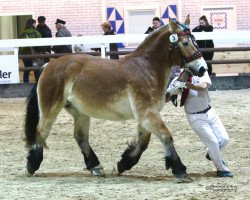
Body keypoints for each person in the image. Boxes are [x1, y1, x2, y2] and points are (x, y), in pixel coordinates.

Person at [166, 71, 233, 177]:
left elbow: (203, 86)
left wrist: (188, 85)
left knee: (224, 139)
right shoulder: (176, 81)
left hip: (210, 112)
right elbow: (166, 98)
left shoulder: (202, 73)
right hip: (195, 117)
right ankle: (221, 169)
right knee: (213, 143)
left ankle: (211, 153)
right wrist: (175, 90)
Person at [19, 18, 45, 83]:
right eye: (35, 23)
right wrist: (43, 51)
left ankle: (25, 83)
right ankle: (37, 84)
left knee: (27, 69)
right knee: (36, 69)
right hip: (34, 54)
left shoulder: (22, 34)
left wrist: (21, 54)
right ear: (33, 24)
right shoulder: (36, 33)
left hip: (25, 55)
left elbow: (20, 46)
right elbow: (40, 45)